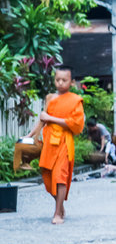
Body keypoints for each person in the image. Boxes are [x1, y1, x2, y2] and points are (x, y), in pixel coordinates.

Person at [25, 65, 85, 224]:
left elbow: (76, 125)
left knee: (60, 176)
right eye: (57, 79)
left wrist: (51, 119)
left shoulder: (75, 101)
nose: (60, 83)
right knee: (47, 175)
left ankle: (57, 213)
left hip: (64, 143)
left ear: (71, 82)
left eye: (64, 80)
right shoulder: (50, 98)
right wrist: (30, 135)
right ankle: (60, 205)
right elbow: (43, 119)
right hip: (49, 142)